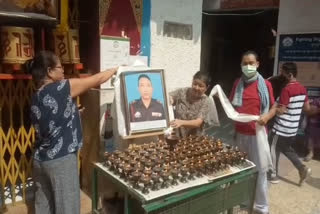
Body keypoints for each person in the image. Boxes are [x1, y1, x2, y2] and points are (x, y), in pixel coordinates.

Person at [27, 51, 117, 214]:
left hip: (40, 160)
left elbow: (51, 121)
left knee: (44, 208)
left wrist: (74, 112)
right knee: (67, 208)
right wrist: (116, 69)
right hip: (61, 160)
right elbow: (96, 80)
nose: (63, 71)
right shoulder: (62, 88)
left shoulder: (36, 96)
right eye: (60, 67)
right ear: (49, 71)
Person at [230, 51, 276, 214]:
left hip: (257, 134)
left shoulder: (265, 85)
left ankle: (262, 207)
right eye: (244, 63)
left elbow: (274, 107)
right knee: (242, 169)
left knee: (260, 171)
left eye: (251, 63)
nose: (248, 66)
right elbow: (232, 107)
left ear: (257, 64)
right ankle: (244, 201)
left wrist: (267, 117)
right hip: (240, 134)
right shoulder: (237, 83)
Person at [269, 62, 320, 185]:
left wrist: (273, 108)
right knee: (286, 149)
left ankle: (273, 174)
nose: (281, 75)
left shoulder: (287, 89)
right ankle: (302, 169)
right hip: (292, 129)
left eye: (283, 73)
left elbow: (281, 111)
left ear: (289, 74)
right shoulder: (302, 88)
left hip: (281, 128)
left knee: (272, 147)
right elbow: (307, 108)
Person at [169, 71, 211, 137]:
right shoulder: (182, 92)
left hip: (194, 140)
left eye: (200, 86)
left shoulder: (206, 101)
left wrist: (181, 122)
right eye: (195, 84)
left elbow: (198, 122)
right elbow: (168, 96)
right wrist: (170, 99)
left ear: (207, 88)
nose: (197, 88)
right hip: (177, 136)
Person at [304, 97, 320, 161]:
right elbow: (309, 112)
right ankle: (311, 153)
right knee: (311, 132)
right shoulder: (316, 101)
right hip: (314, 124)